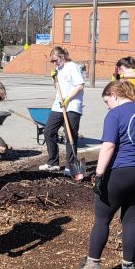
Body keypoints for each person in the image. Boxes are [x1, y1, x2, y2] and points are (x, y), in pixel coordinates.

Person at [68, 81, 135, 269]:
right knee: (130, 220)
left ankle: (92, 266)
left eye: (107, 101)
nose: (107, 106)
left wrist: (99, 175)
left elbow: (108, 146)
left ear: (114, 95)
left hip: (121, 172)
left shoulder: (115, 114)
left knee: (102, 219)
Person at [40, 47, 85, 178]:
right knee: (49, 131)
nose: (54, 63)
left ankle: (71, 165)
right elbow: (58, 87)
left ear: (63, 56)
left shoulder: (72, 66)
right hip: (58, 105)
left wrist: (68, 99)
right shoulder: (58, 69)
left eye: (56, 60)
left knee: (70, 135)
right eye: (52, 61)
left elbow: (80, 85)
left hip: (72, 106)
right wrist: (54, 79)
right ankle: (53, 162)